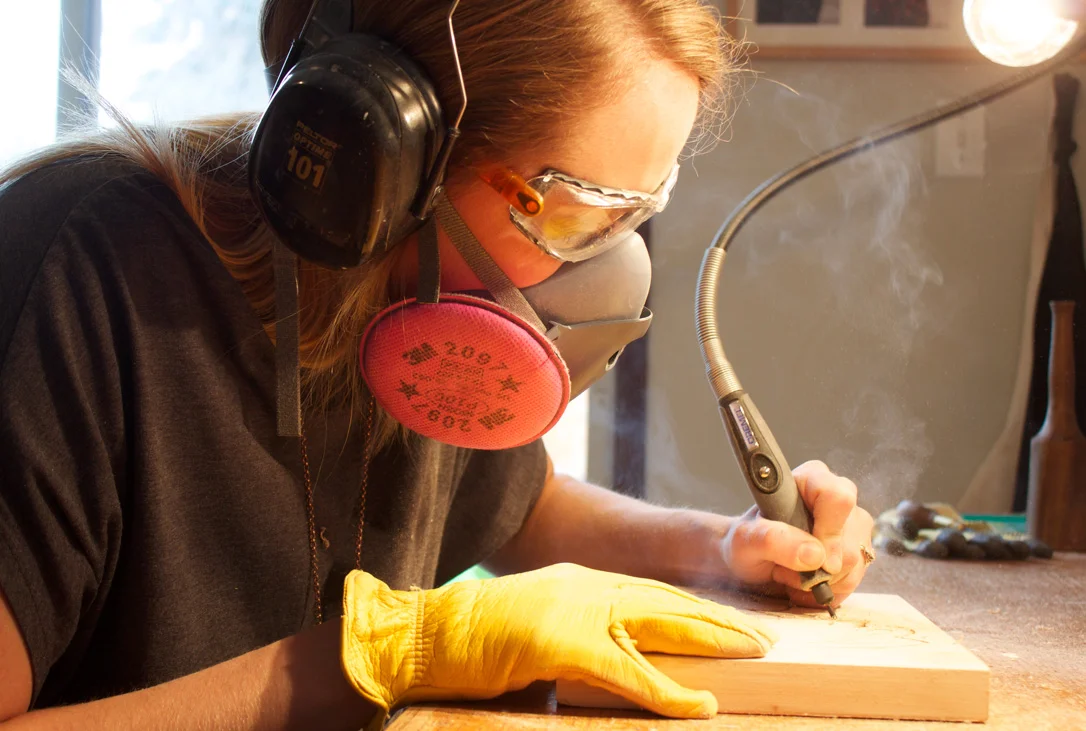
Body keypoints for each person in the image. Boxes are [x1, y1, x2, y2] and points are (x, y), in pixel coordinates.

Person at [0, 0, 875, 728]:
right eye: (577, 215)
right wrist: (378, 655)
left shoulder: (416, 307)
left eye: (635, 215)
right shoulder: (75, 276)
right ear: (390, 155)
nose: (607, 267)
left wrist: (727, 547)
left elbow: (520, 507)